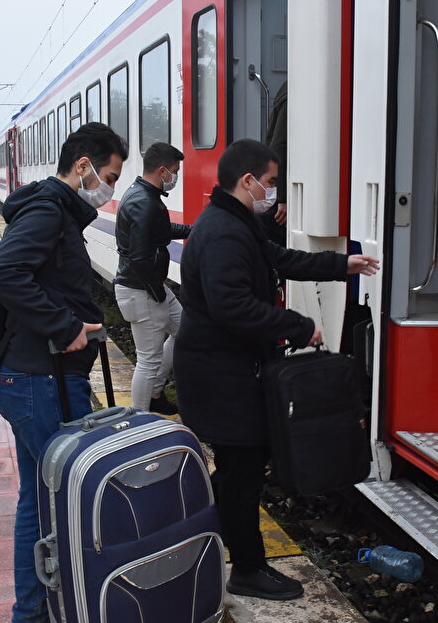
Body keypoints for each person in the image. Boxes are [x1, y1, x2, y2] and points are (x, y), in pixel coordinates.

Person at [173, 139, 379, 601]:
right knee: (243, 475)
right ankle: (247, 569)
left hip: (225, 373)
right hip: (223, 379)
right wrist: (300, 326)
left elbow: (280, 260)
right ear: (247, 181)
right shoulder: (225, 231)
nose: (272, 191)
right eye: (269, 182)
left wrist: (340, 263)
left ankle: (196, 531)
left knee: (236, 472)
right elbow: (234, 307)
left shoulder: (232, 220)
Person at [0, 122, 126, 623]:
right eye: (108, 175)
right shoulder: (48, 212)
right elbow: (3, 273)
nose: (108, 188)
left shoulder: (54, 211)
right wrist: (65, 325)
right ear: (84, 166)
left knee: (39, 501)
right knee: (64, 500)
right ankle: (50, 609)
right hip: (40, 380)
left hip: (35, 377)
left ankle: (35, 611)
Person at [113, 142, 188, 415]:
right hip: (142, 289)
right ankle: (139, 420)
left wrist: (196, 229)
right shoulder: (145, 203)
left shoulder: (142, 195)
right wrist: (156, 291)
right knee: (147, 359)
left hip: (150, 287)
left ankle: (155, 392)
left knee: (183, 331)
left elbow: (161, 231)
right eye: (175, 171)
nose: (176, 177)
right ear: (162, 171)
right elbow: (140, 258)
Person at [261, 81, 287, 244]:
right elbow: (281, 146)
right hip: (282, 196)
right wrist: (282, 197)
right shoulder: (295, 91)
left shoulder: (285, 88)